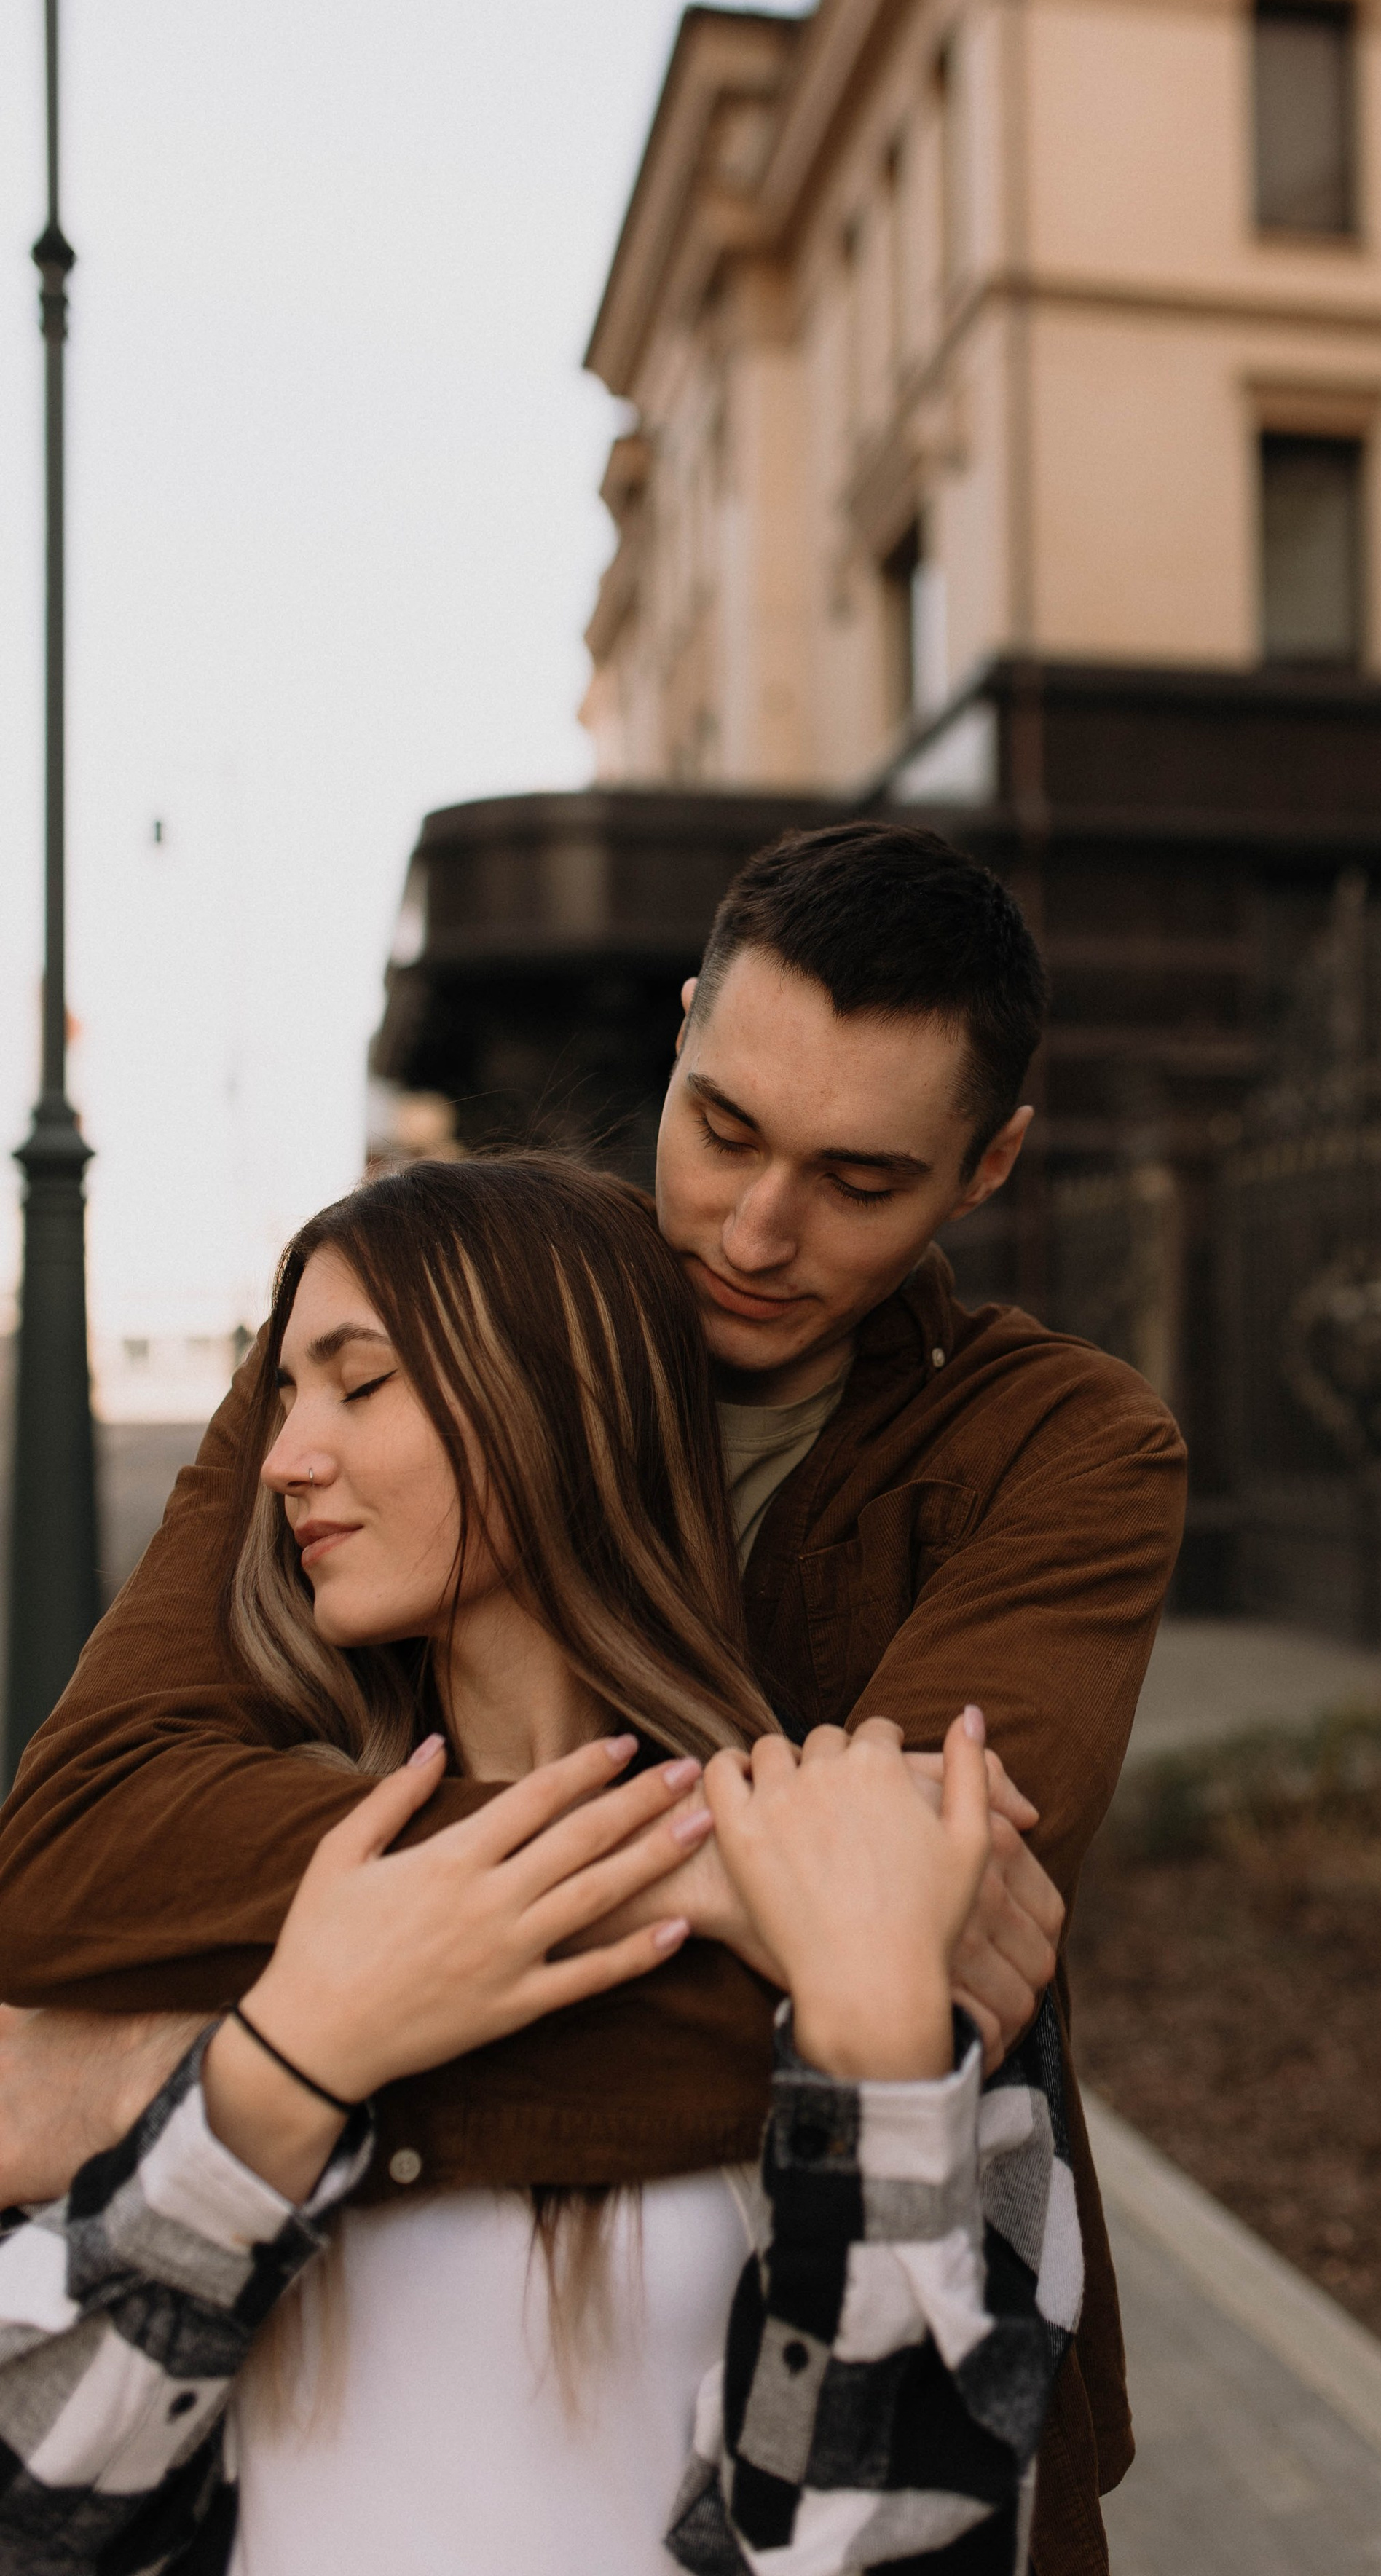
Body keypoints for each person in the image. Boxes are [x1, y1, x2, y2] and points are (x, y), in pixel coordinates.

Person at [0, 821, 1187, 2576]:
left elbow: (923, 1977)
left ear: (990, 1161)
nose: (755, 1229)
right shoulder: (427, 1306)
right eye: (719, 1128)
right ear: (689, 1025)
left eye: (858, 1181)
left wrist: (161, 2073)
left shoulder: (1058, 1450)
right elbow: (84, 1849)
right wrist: (714, 1873)